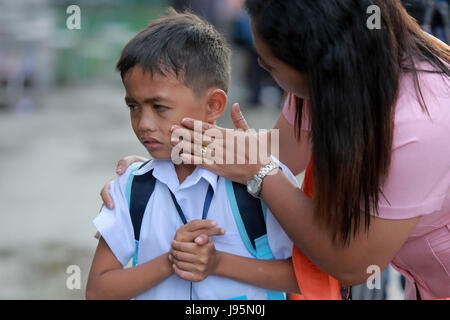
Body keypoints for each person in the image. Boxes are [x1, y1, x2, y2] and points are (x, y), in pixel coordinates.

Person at [103, 1, 450, 300]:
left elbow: (351, 264)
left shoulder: (425, 120)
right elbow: (280, 151)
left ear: (320, 66)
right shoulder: (338, 74)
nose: (263, 70)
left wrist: (261, 172)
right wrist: (160, 169)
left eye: (271, 67)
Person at [86, 9, 301, 300]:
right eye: (133, 106)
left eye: (159, 107)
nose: (143, 124)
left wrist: (218, 263)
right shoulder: (130, 188)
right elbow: (98, 290)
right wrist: (170, 261)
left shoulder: (263, 182)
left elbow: (304, 278)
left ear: (213, 106)